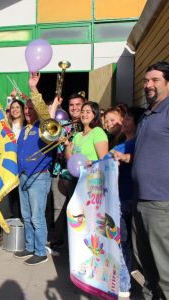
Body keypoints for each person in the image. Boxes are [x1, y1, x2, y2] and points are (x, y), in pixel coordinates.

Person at [87, 107, 145, 298]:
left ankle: (123, 285)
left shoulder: (135, 144)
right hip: (119, 198)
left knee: (118, 242)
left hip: (123, 199)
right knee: (123, 243)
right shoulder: (122, 142)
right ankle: (123, 281)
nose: (121, 123)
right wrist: (93, 164)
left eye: (126, 119)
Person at [131, 61, 169, 300]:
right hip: (140, 198)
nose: (148, 85)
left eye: (155, 80)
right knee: (145, 260)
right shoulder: (148, 113)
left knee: (164, 263)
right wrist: (127, 156)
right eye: (146, 80)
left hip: (160, 201)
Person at [13, 72, 59, 266]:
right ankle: (30, 246)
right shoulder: (24, 129)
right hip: (23, 177)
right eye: (27, 109)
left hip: (38, 178)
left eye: (32, 109)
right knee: (26, 216)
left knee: (37, 217)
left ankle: (40, 251)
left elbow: (42, 111)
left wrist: (33, 90)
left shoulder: (43, 126)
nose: (29, 112)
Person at [48, 93, 86, 250]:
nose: (75, 107)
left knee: (78, 210)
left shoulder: (88, 126)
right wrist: (55, 103)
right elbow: (49, 124)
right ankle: (58, 238)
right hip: (59, 171)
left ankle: (77, 243)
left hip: (79, 176)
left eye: (78, 104)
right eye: (72, 105)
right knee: (58, 207)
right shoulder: (64, 124)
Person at [6, 99, 26, 218]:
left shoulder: (27, 126)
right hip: (10, 166)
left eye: (17, 107)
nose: (15, 110)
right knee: (12, 195)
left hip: (23, 166)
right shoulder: (6, 127)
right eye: (12, 107)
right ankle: (14, 217)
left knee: (23, 196)